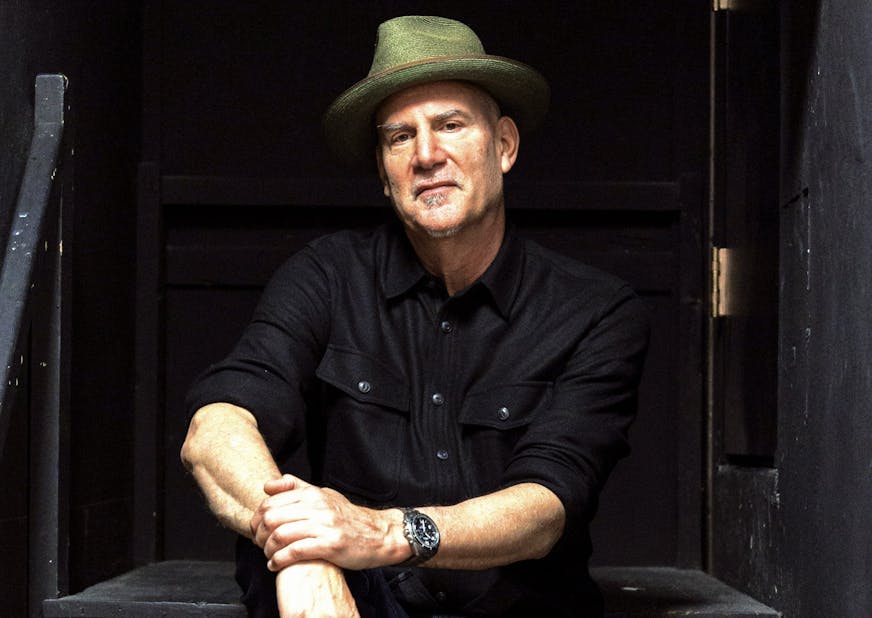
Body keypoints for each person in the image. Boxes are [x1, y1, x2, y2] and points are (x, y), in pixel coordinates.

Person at [182, 15, 649, 618]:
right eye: (399, 137)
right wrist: (307, 552)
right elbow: (216, 429)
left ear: (503, 145)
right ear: (382, 170)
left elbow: (545, 508)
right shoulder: (327, 275)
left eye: (450, 126)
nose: (426, 155)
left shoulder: (595, 311)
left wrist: (379, 534)